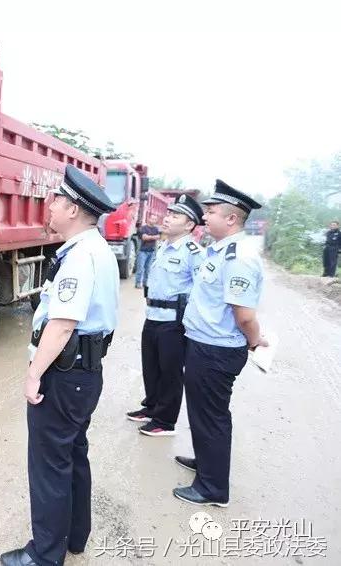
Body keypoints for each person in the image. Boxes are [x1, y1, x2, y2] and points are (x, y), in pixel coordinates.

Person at [0, 165, 118, 566]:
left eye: (56, 201)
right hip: (85, 373)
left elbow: (63, 323)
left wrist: (34, 374)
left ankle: (44, 556)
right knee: (72, 454)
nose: (49, 207)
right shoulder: (97, 250)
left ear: (72, 209)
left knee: (50, 464)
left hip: (64, 375)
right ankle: (75, 536)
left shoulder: (80, 256)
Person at [173, 179, 268, 507]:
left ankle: (213, 489)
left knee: (211, 416)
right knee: (202, 413)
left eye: (211, 212)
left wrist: (255, 342)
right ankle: (207, 464)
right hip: (203, 344)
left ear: (231, 218)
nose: (205, 217)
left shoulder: (238, 257)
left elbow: (244, 316)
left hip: (216, 351)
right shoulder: (220, 250)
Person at [126, 195, 205, 436]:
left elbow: (201, 290)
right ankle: (151, 407)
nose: (167, 218)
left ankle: (165, 420)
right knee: (151, 366)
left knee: (170, 371)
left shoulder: (193, 252)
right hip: (153, 316)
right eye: (168, 214)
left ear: (190, 224)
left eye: (175, 215)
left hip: (174, 322)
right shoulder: (164, 246)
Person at [135, 214, 161, 289]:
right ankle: (138, 283)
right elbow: (144, 237)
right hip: (142, 251)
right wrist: (154, 237)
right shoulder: (143, 228)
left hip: (151, 251)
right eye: (152, 219)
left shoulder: (156, 229)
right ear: (149, 219)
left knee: (148, 269)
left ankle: (145, 283)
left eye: (155, 219)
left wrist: (149, 237)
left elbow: (159, 237)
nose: (153, 220)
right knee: (140, 268)